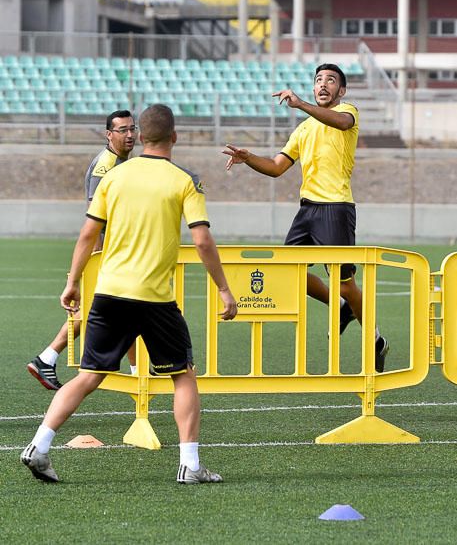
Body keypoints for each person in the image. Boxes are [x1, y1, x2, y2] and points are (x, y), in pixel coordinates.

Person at [21, 103, 238, 485]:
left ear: (140, 136)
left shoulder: (115, 178)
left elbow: (88, 235)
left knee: (89, 376)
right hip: (155, 298)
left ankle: (38, 446)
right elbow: (201, 239)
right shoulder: (184, 179)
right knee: (183, 375)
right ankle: (190, 464)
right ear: (174, 137)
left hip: (109, 293)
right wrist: (223, 288)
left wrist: (72, 281)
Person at [223, 62, 389, 372]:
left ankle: (376, 338)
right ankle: (340, 307)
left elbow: (340, 122)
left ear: (341, 90)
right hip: (307, 210)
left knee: (346, 284)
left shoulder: (348, 112)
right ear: (314, 87)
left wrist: (300, 103)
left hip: (335, 209)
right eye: (318, 80)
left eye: (330, 80)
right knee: (287, 273)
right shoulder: (303, 129)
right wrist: (248, 159)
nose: (323, 84)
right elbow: (276, 166)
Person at [27, 110, 138, 391]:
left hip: (115, 252)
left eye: (132, 129)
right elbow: (96, 216)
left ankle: (47, 358)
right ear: (108, 134)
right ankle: (47, 357)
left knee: (121, 309)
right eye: (123, 130)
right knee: (119, 307)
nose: (130, 135)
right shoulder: (106, 165)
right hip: (106, 253)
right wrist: (99, 257)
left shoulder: (121, 162)